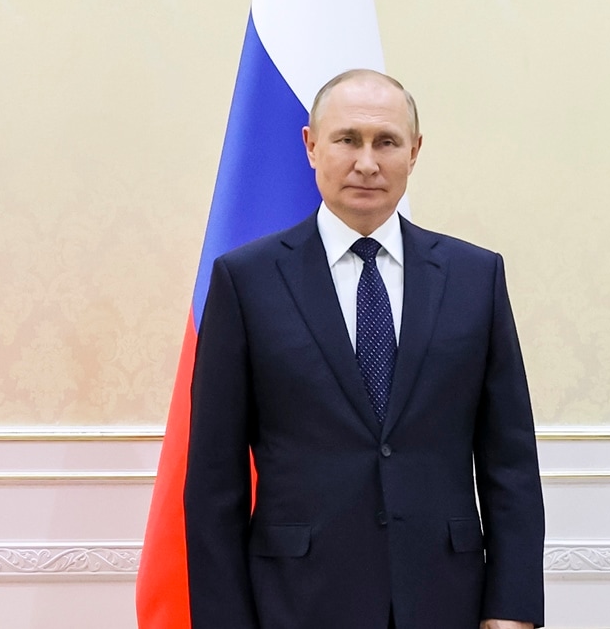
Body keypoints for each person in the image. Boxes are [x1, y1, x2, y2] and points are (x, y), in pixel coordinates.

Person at [183, 69, 545, 629]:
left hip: (446, 602)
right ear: (310, 145)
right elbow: (213, 481)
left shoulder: (476, 277)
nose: (367, 162)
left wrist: (512, 610)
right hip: (295, 603)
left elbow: (510, 464)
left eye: (387, 142)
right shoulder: (245, 281)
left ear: (415, 151)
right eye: (347, 139)